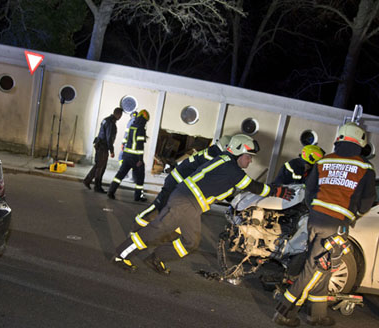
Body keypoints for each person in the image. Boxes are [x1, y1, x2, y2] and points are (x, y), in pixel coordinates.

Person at [113, 134, 294, 275]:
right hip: (185, 202)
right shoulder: (232, 169)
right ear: (238, 151)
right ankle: (121, 255)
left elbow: (225, 188)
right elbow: (254, 187)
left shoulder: (225, 162)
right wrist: (278, 192)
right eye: (249, 156)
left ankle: (156, 258)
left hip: (190, 205)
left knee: (190, 242)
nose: (250, 160)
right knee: (156, 230)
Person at [273, 122, 376, 327]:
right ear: (360, 142)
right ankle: (284, 311)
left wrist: (317, 211)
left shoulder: (325, 160)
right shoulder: (364, 167)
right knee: (316, 268)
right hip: (336, 225)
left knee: (324, 267)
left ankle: (317, 314)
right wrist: (353, 215)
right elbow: (367, 201)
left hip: (315, 220)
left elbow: (309, 191)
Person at [133, 135, 231, 229]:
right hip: (176, 182)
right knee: (159, 206)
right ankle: (137, 224)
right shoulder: (213, 157)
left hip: (179, 183)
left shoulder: (212, 152)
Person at [107, 109, 149, 201]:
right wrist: (140, 160)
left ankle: (111, 191)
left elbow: (127, 139)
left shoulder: (132, 126)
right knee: (140, 177)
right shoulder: (141, 129)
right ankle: (137, 196)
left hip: (127, 155)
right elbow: (140, 146)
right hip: (135, 157)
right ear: (144, 120)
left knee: (120, 174)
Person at [83, 107, 123, 193]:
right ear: (118, 114)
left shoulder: (106, 120)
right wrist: (111, 151)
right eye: (121, 115)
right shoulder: (111, 123)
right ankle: (97, 186)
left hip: (100, 145)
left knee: (99, 165)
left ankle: (88, 180)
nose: (121, 117)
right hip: (103, 147)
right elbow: (109, 138)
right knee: (100, 167)